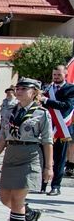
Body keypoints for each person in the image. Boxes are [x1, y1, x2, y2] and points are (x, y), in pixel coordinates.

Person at [0, 78, 53, 221]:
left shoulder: (42, 113)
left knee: (17, 198)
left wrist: (48, 167)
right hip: (11, 155)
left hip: (30, 155)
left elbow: (47, 141)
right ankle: (28, 213)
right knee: (5, 198)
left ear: (34, 92)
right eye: (18, 88)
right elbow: (2, 138)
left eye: (24, 88)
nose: (19, 91)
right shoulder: (9, 111)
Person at [39, 65, 74, 196]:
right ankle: (42, 185)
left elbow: (66, 106)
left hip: (62, 129)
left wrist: (47, 100)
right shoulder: (48, 88)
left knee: (59, 160)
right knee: (44, 158)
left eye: (59, 75)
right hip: (47, 127)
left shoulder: (71, 89)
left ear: (65, 74)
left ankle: (56, 186)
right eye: (54, 75)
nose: (56, 77)